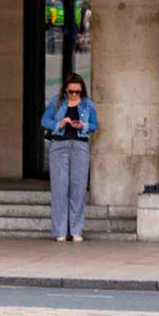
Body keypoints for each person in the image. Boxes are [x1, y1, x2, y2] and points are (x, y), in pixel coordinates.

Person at [38, 72, 97, 242]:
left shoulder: (88, 105)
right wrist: (60, 123)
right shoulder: (57, 102)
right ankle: (60, 232)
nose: (74, 95)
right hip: (59, 145)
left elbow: (94, 125)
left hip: (79, 145)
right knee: (59, 189)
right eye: (71, 91)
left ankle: (76, 230)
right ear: (65, 90)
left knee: (78, 189)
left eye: (78, 92)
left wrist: (83, 125)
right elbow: (44, 121)